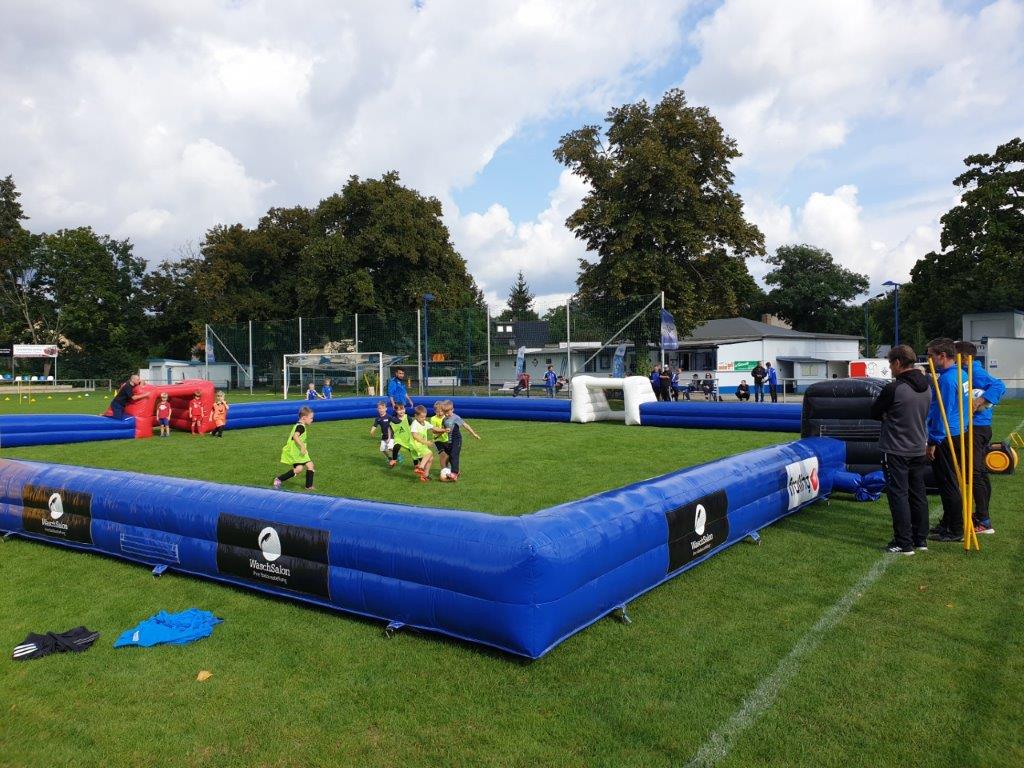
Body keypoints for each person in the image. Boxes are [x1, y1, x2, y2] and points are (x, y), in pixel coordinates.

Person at [871, 345, 932, 554]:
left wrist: (887, 415)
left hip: (896, 449)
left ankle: (903, 542)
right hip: (918, 447)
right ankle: (920, 539)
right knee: (918, 493)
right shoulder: (927, 386)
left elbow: (874, 412)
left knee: (898, 495)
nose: (890, 368)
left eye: (890, 363)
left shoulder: (894, 388)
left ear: (897, 362)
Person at [955, 340, 1005, 535]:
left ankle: (984, 521)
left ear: (964, 357)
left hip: (977, 428)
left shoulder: (974, 371)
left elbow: (999, 385)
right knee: (980, 472)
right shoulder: (965, 371)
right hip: (978, 427)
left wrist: (980, 401)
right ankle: (981, 516)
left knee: (974, 472)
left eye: (954, 354)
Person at [926, 338, 972, 543]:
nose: (929, 359)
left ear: (942, 356)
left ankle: (955, 528)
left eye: (931, 355)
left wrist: (933, 440)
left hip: (947, 435)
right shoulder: (961, 373)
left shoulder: (946, 379)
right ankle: (948, 523)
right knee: (951, 481)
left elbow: (942, 411)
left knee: (948, 483)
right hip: (959, 431)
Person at [273, 406, 315, 490]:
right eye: (311, 418)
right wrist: (302, 447)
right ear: (304, 418)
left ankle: (308, 486)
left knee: (307, 466)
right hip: (297, 453)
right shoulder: (300, 427)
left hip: (300, 452)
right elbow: (295, 436)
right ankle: (279, 479)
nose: (312, 420)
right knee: (300, 469)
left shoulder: (299, 425)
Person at [441, 399, 481, 482]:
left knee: (454, 455)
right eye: (445, 412)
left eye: (448, 412)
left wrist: (474, 434)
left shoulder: (456, 417)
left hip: (457, 439)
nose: (446, 414)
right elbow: (442, 429)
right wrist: (440, 433)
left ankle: (454, 473)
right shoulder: (444, 420)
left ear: (452, 409)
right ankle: (455, 471)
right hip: (450, 441)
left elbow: (465, 425)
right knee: (450, 456)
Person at [409, 405, 435, 482]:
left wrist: (444, 430)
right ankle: (420, 467)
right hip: (415, 444)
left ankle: (425, 476)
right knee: (429, 453)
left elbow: (433, 428)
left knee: (430, 458)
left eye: (424, 417)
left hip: (421, 445)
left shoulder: (425, 423)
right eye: (421, 417)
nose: (423, 418)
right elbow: (415, 436)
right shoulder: (414, 424)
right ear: (416, 416)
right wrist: (426, 442)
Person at [388, 403, 413, 467]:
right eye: (399, 410)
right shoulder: (393, 419)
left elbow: (414, 427)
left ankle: (419, 464)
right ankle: (394, 460)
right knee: (396, 446)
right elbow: (390, 427)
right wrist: (389, 437)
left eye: (402, 409)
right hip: (398, 438)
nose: (401, 411)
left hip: (408, 438)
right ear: (396, 411)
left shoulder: (408, 418)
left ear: (405, 409)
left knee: (413, 451)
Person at [429, 401, 450, 472]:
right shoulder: (433, 419)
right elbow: (434, 431)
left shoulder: (447, 417)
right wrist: (444, 430)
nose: (440, 413)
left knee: (449, 455)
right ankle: (443, 470)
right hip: (437, 440)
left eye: (441, 411)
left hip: (447, 440)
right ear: (435, 411)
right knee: (442, 455)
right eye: (438, 412)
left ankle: (448, 468)